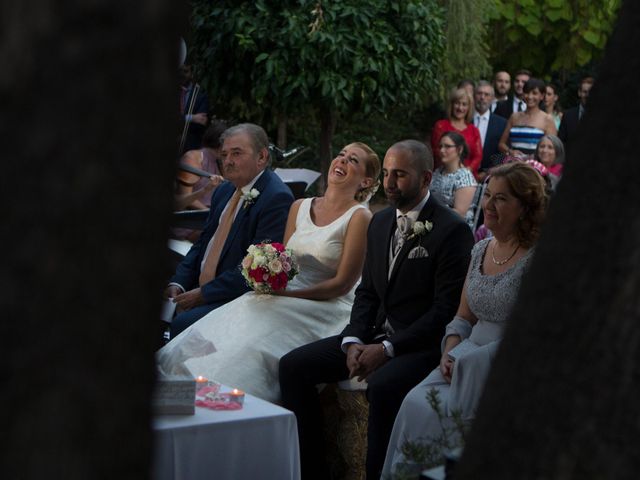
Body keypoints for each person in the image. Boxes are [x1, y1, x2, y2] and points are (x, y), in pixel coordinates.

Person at [279, 140, 474, 480]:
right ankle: (311, 471)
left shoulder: (452, 230)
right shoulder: (380, 222)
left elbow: (444, 311)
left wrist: (387, 349)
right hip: (374, 334)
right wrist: (353, 339)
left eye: (399, 175)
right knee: (293, 366)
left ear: (426, 178)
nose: (390, 183)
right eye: (386, 173)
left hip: (422, 345)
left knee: (382, 386)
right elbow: (367, 292)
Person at [157, 142, 380, 402]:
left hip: (324, 304)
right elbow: (283, 259)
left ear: (365, 181)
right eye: (341, 154)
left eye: (353, 160)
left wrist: (288, 294)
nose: (342, 161)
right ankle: (183, 393)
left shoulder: (359, 217)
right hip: (282, 294)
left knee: (251, 343)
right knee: (228, 326)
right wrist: (265, 275)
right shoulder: (299, 206)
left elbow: (341, 284)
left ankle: (225, 401)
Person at [382, 162, 548, 478]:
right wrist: (449, 350)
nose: (489, 205)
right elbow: (462, 315)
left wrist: (467, 361)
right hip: (462, 356)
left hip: (505, 366)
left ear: (525, 207)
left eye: (502, 199)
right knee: (415, 403)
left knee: (446, 415)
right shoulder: (481, 248)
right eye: (489, 195)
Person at [165, 123, 294, 338]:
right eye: (224, 154)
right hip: (200, 288)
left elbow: (258, 269)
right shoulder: (224, 190)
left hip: (235, 298)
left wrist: (204, 294)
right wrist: (178, 282)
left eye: (237, 153)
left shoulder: (276, 198)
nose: (227, 161)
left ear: (261, 157)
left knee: (182, 325)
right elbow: (203, 244)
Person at [498, 78, 557, 158]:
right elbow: (501, 144)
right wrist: (510, 151)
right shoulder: (514, 117)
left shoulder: (547, 119)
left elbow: (552, 149)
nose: (530, 96)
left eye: (534, 93)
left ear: (542, 96)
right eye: (527, 92)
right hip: (513, 166)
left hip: (535, 168)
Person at [430, 88, 483, 177]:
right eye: (457, 103)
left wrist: (466, 171)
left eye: (464, 104)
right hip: (444, 175)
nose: (460, 108)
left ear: (469, 107)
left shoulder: (474, 130)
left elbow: (478, 156)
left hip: (467, 177)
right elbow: (436, 152)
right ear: (452, 105)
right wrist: (452, 170)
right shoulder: (440, 126)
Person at [431, 131, 477, 224]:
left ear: (459, 149)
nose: (442, 150)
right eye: (440, 146)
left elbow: (459, 213)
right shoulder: (437, 172)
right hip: (434, 222)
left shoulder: (465, 178)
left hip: (455, 228)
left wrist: (431, 212)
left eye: (447, 146)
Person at [473, 80, 508, 179]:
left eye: (486, 94)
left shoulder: (502, 123)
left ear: (492, 99)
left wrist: (488, 172)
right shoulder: (465, 120)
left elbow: (502, 153)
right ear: (474, 96)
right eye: (479, 93)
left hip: (489, 176)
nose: (482, 97)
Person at [178, 64, 209, 154]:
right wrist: (191, 118)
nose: (182, 74)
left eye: (186, 71)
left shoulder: (200, 94)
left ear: (192, 74)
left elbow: (201, 121)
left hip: (190, 147)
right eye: (180, 71)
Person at [558, 76, 594, 152]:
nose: (587, 95)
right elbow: (560, 143)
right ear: (579, 93)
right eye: (585, 92)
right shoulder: (568, 116)